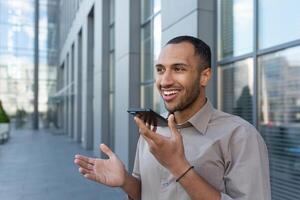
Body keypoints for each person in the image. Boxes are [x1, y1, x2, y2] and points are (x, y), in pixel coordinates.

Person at [74, 36, 271, 200]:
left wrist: (178, 167)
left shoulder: (240, 136)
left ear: (205, 76)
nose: (165, 81)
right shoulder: (152, 131)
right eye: (160, 70)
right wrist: (126, 181)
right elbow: (146, 193)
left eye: (178, 69)